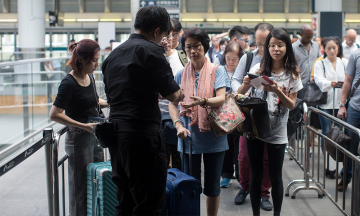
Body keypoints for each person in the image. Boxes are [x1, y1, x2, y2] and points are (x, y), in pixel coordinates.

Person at [101, 6, 184, 215]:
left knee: (125, 201)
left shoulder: (113, 55)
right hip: (143, 136)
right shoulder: (152, 50)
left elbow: (115, 95)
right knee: (149, 203)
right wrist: (181, 93)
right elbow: (173, 94)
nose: (164, 41)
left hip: (116, 138)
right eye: (164, 36)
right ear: (156, 31)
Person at [238, 28, 303, 216]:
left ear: (287, 47)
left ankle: (277, 213)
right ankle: (255, 213)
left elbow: (291, 105)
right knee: (256, 176)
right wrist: (246, 83)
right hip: (255, 129)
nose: (276, 49)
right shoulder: (258, 70)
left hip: (278, 132)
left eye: (280, 45)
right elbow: (242, 94)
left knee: (275, 177)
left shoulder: (292, 74)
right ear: (267, 48)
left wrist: (276, 91)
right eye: (272, 45)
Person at [168, 27, 229, 216]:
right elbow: (173, 103)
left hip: (213, 138)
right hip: (188, 139)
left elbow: (221, 98)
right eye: (188, 47)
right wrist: (178, 124)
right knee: (190, 185)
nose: (193, 51)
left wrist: (204, 101)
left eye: (197, 46)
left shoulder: (217, 71)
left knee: (212, 187)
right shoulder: (180, 74)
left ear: (205, 47)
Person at [49, 39, 106, 216]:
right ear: (81, 59)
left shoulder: (90, 77)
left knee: (96, 181)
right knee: (80, 189)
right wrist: (83, 126)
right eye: (94, 60)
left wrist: (110, 102)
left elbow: (94, 101)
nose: (97, 64)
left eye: (98, 60)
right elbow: (55, 113)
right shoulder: (68, 83)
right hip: (79, 138)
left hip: (94, 135)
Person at [232, 22, 274, 211]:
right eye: (258, 43)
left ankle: (265, 193)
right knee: (243, 155)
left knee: (266, 156)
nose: (262, 48)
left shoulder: (279, 59)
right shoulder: (248, 57)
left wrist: (258, 83)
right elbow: (236, 79)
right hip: (248, 111)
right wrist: (243, 89)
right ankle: (244, 187)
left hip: (271, 113)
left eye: (266, 43)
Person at [314, 36, 348, 178]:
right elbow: (318, 80)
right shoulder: (320, 64)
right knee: (327, 135)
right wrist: (331, 84)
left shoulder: (345, 62)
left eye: (335, 48)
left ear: (338, 48)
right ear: (324, 49)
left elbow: (349, 79)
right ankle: (329, 166)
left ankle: (339, 166)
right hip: (325, 104)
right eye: (329, 48)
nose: (332, 51)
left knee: (340, 136)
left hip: (342, 104)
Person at [159, 29, 184, 170]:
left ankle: (178, 187)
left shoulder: (181, 57)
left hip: (176, 115)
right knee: (161, 160)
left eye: (169, 36)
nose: (166, 41)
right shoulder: (151, 57)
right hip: (156, 117)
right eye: (163, 37)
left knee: (177, 158)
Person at [219, 42, 244, 189]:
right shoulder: (220, 70)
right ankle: (226, 175)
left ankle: (241, 178)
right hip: (224, 114)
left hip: (240, 113)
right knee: (226, 146)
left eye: (234, 58)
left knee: (239, 147)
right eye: (228, 58)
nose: (231, 62)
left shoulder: (242, 72)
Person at [337, 49, 360, 192]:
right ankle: (346, 177)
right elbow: (348, 80)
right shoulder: (356, 54)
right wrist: (342, 105)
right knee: (350, 145)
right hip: (355, 108)